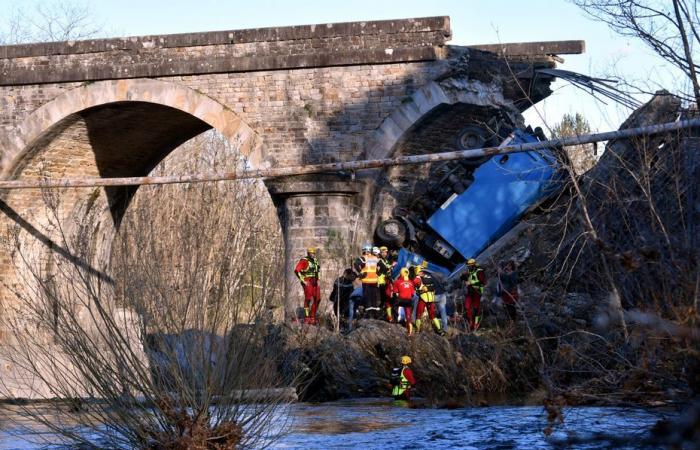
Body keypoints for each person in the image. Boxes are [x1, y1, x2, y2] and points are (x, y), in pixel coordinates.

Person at [413, 266, 444, 335]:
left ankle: (418, 330)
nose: (421, 272)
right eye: (420, 271)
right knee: (430, 315)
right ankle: (439, 330)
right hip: (428, 299)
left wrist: (422, 289)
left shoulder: (419, 278)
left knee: (421, 314)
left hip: (425, 299)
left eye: (421, 271)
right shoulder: (427, 278)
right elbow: (434, 287)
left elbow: (415, 285)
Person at [294, 247, 321, 324]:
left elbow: (317, 271)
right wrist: (303, 281)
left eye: (314, 253)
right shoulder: (304, 261)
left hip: (314, 281)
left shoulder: (315, 261)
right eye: (312, 253)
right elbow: (297, 271)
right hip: (307, 280)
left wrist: (318, 279)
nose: (313, 255)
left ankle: (312, 316)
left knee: (318, 298)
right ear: (308, 253)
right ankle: (307, 317)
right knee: (308, 298)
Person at [354, 244, 381, 319]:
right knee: (374, 297)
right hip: (374, 280)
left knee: (367, 297)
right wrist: (378, 273)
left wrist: (360, 272)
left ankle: (369, 314)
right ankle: (375, 313)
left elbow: (356, 263)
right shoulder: (375, 258)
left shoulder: (364, 258)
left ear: (365, 250)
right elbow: (380, 266)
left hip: (366, 280)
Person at [461, 258, 486, 332]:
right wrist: (462, 276)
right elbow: (465, 278)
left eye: (469, 266)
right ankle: (470, 322)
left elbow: (483, 282)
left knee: (476, 309)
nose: (468, 267)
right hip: (470, 292)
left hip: (477, 292)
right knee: (467, 306)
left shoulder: (480, 272)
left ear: (473, 265)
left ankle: (476, 324)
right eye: (467, 266)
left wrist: (471, 283)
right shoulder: (469, 271)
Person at [392, 267, 416, 335]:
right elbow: (412, 294)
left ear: (401, 273)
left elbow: (395, 293)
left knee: (395, 310)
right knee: (408, 315)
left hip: (400, 300)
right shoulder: (411, 282)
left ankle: (394, 324)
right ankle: (410, 332)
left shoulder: (397, 281)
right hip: (408, 300)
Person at [377, 246, 394, 322]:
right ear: (380, 253)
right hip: (381, 282)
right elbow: (383, 269)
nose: (385, 253)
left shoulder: (386, 260)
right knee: (383, 298)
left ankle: (386, 314)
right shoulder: (379, 261)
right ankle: (380, 314)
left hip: (386, 281)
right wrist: (391, 266)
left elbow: (388, 269)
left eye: (386, 252)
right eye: (383, 252)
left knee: (386, 299)